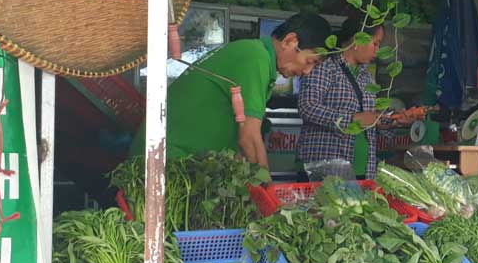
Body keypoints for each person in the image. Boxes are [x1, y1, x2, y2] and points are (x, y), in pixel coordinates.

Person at [131, 13, 331, 166]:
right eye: (309, 61)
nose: (307, 71)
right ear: (289, 41)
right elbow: (249, 138)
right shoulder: (255, 57)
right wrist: (267, 192)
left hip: (173, 159)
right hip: (166, 161)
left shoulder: (255, 54)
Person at [298, 17, 401, 179]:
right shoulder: (324, 66)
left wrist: (395, 119)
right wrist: (352, 119)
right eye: (375, 43)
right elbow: (308, 107)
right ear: (358, 39)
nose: (377, 50)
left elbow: (369, 118)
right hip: (325, 168)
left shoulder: (366, 76)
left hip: (363, 170)